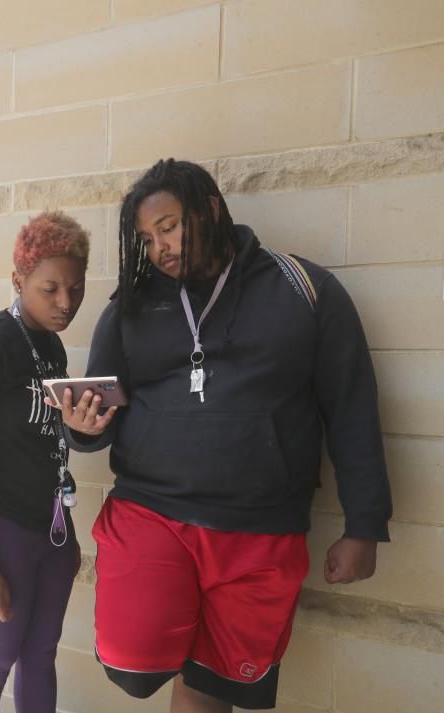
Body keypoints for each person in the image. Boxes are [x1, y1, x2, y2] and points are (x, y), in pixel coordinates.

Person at [59, 159, 392, 712]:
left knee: (216, 683)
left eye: (168, 226)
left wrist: (364, 525)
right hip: (152, 512)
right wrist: (84, 431)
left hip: (261, 526)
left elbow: (352, 408)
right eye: (147, 237)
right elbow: (99, 417)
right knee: (133, 662)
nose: (159, 247)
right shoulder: (131, 305)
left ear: (210, 207)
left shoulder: (304, 288)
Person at [0, 211, 93, 712]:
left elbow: (47, 446)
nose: (65, 302)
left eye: (75, 287)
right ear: (18, 280)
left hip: (46, 530)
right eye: (50, 289)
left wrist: (65, 533)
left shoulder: (49, 346)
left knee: (41, 656)